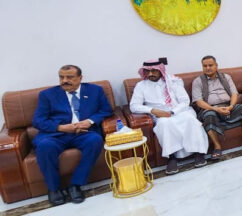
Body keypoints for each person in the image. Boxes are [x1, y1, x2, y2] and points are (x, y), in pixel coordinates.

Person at [32, 65, 113, 205]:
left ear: (80, 78)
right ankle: (53, 189)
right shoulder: (47, 95)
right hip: (56, 134)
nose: (64, 80)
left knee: (95, 140)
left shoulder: (95, 90)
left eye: (69, 77)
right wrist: (61, 127)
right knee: (45, 146)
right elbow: (37, 120)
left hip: (83, 132)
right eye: (61, 77)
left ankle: (75, 185)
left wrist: (89, 121)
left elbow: (106, 110)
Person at [129, 58, 209, 174]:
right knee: (164, 124)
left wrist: (172, 112)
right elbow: (134, 106)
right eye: (147, 71)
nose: (150, 74)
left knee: (190, 119)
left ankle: (199, 153)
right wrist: (153, 110)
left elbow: (185, 101)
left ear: (160, 70)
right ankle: (171, 157)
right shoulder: (141, 86)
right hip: (159, 115)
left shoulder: (174, 81)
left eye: (154, 71)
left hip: (179, 111)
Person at [191, 55, 242, 159]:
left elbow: (234, 94)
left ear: (216, 65)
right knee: (208, 115)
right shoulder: (197, 81)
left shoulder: (226, 77)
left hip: (228, 106)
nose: (208, 68)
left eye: (210, 65)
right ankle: (217, 147)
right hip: (211, 108)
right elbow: (199, 102)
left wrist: (231, 106)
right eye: (205, 66)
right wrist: (215, 109)